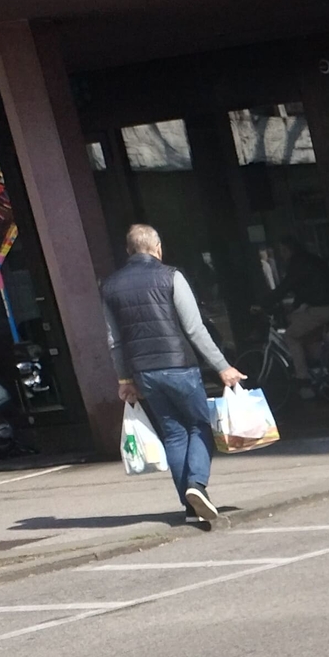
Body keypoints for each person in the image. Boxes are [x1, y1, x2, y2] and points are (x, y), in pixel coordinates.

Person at [99, 223, 243, 529]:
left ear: (128, 251)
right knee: (200, 426)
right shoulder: (171, 276)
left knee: (174, 433)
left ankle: (189, 507)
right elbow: (194, 328)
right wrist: (222, 366)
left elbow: (115, 341)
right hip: (179, 365)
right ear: (157, 248)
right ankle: (197, 485)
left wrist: (125, 380)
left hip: (144, 372)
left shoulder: (110, 286)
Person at [271, 237, 329, 385]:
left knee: (291, 336)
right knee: (308, 334)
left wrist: (264, 303)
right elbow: (305, 287)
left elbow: (286, 286)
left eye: (282, 250)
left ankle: (302, 377)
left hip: (323, 307)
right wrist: (295, 305)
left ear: (288, 249)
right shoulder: (310, 260)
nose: (281, 254)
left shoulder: (297, 264)